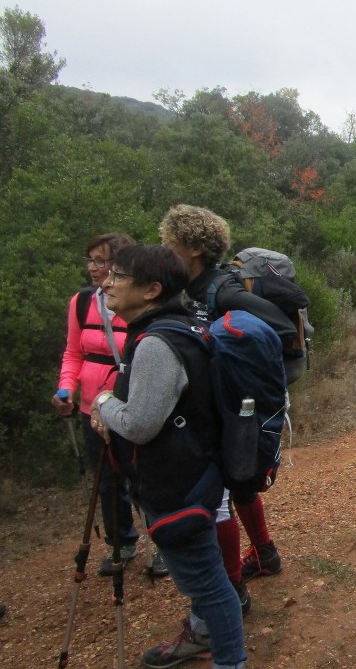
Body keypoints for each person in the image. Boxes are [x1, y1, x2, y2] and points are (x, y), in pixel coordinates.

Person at [90, 245, 246, 669]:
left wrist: (103, 402)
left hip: (179, 482)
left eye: (118, 276)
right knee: (204, 578)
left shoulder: (158, 343)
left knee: (210, 586)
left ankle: (230, 661)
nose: (105, 281)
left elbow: (141, 424)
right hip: (192, 472)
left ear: (151, 290)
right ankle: (202, 637)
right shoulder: (173, 327)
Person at [159, 205, 287, 591]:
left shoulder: (223, 289)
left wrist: (219, 344)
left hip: (231, 407)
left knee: (223, 496)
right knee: (239, 482)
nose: (166, 252)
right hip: (221, 405)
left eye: (171, 244)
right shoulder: (192, 290)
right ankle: (265, 554)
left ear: (195, 248)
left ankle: (233, 589)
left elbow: (276, 327)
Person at [51, 233, 169, 577]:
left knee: (143, 476)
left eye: (102, 261)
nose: (93, 268)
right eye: (90, 260)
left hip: (131, 404)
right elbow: (74, 352)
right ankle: (123, 541)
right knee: (107, 481)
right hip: (92, 409)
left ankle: (164, 540)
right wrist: (65, 389)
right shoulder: (81, 303)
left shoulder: (139, 305)